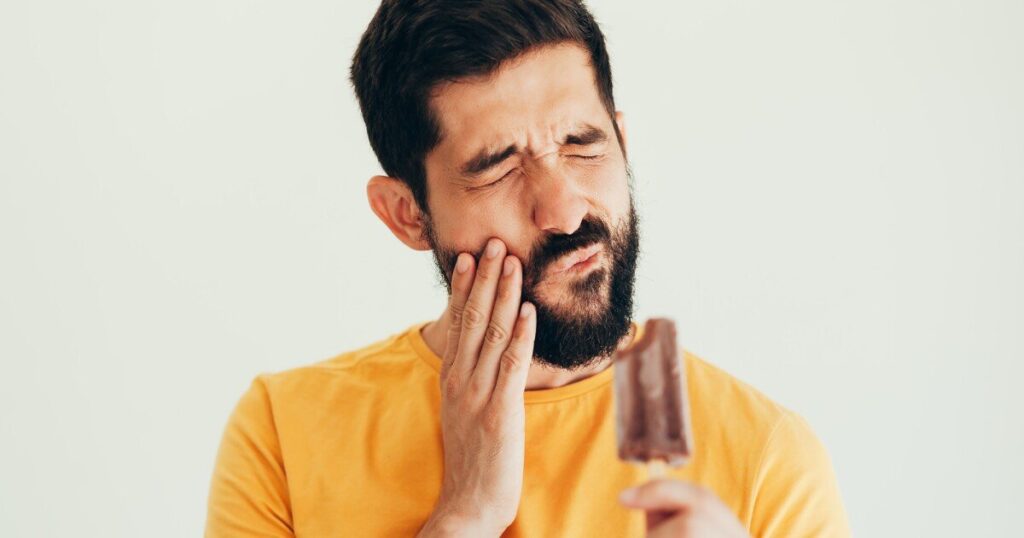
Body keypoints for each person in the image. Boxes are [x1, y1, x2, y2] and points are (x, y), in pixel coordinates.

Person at [205, 1, 851, 536]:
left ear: (623, 144)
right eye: (498, 169)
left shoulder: (768, 459)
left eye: (582, 145)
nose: (565, 210)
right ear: (407, 215)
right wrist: (464, 515)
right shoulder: (284, 433)